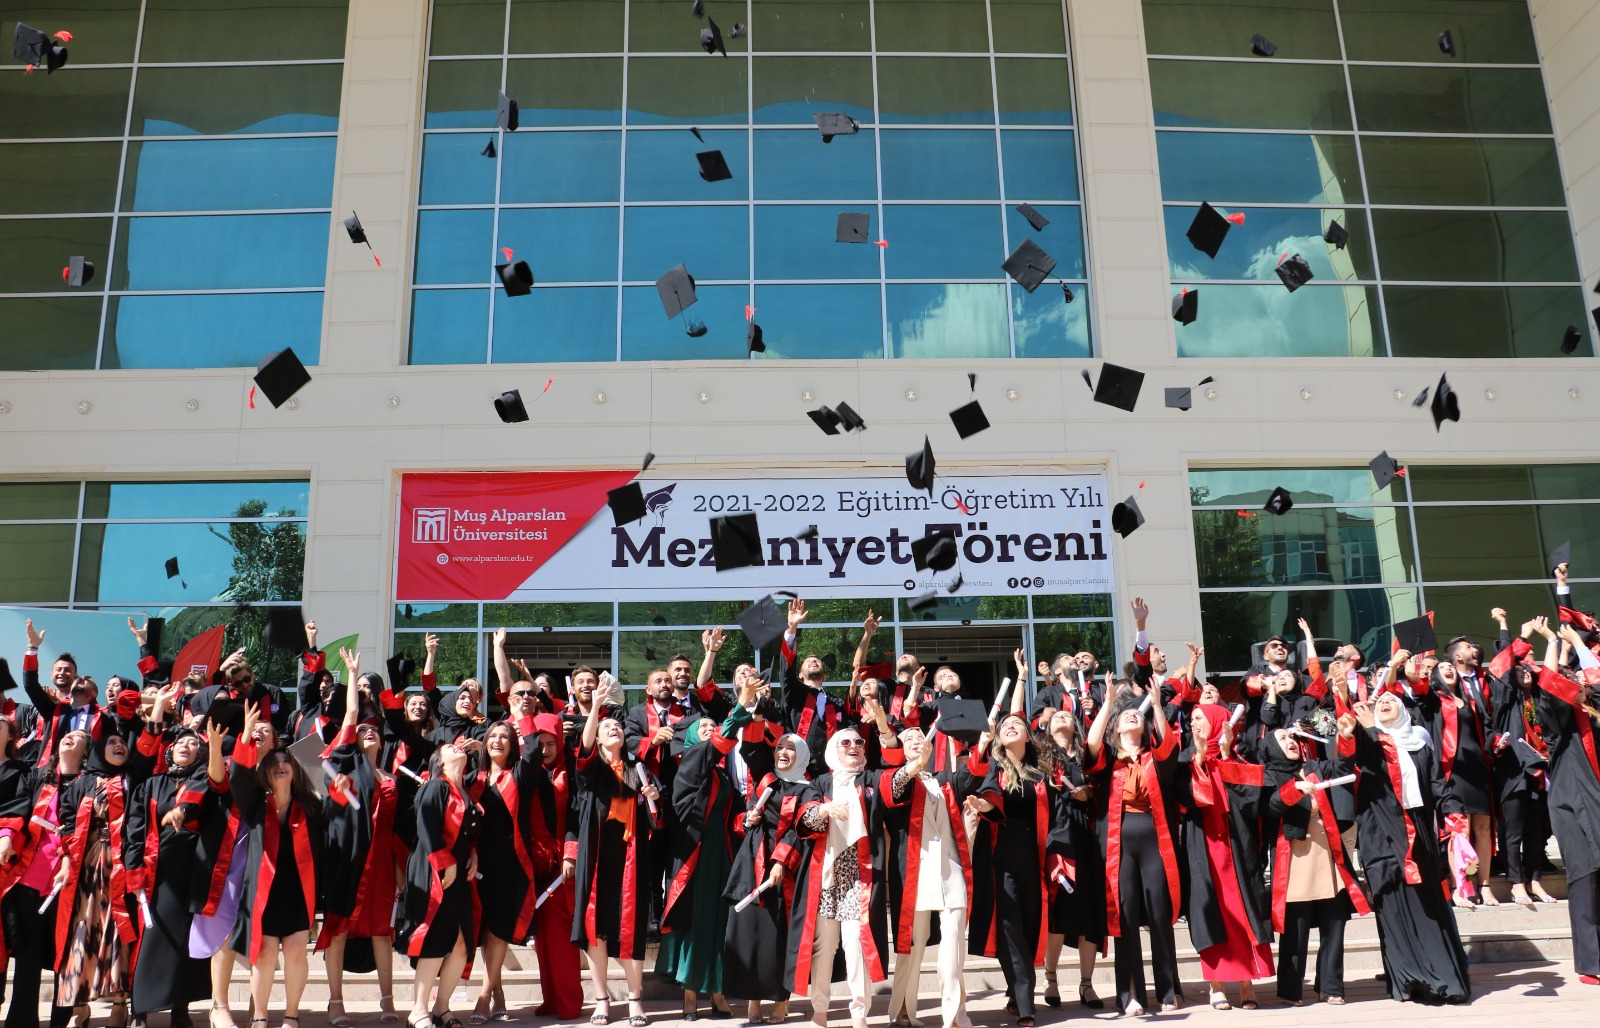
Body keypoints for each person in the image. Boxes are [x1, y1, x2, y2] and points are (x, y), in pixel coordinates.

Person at [1348, 692, 1471, 1003]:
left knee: (1425, 904)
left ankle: (1441, 977)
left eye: (1392, 701)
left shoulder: (1419, 745)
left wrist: (1455, 815)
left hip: (1418, 832)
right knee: (1392, 904)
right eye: (1379, 702)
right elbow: (1354, 751)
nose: (1384, 703)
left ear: (1404, 711)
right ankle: (1407, 980)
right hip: (1379, 833)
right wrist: (1369, 728)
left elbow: (1439, 787)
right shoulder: (1367, 742)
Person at [229, 702, 346, 1028]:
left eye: (286, 762)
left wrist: (339, 794)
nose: (281, 765)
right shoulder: (254, 803)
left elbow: (331, 818)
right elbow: (238, 777)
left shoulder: (309, 804)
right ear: (265, 771)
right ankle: (260, 1017)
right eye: (275, 762)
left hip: (298, 890)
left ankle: (291, 1015)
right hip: (263, 891)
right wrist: (246, 738)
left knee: (295, 952)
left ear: (295, 770)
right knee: (265, 953)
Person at [786, 729, 900, 1028]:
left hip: (859, 876)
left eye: (859, 742)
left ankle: (859, 1014)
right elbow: (805, 821)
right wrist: (824, 808)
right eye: (845, 742)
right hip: (825, 877)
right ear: (833, 750)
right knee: (824, 947)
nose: (854, 746)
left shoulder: (871, 779)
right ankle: (820, 1011)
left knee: (856, 944)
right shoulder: (820, 783)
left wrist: (913, 763)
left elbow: (897, 782)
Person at [1085, 678, 1182, 1016]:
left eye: (1137, 715)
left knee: (1158, 912)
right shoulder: (1109, 761)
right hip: (1119, 840)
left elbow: (1170, 745)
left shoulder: (1155, 757)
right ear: (1116, 727)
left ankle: (1167, 990)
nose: (1132, 716)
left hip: (1153, 836)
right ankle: (1130, 994)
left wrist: (1155, 705)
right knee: (1124, 915)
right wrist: (1108, 703)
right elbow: (1091, 744)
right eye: (1126, 716)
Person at [966, 674, 1058, 1028]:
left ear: (1027, 735)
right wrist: (982, 805)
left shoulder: (1042, 773)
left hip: (1034, 858)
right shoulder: (995, 768)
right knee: (1009, 928)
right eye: (1004, 725)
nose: (1010, 726)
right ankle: (1024, 1003)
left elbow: (1057, 816)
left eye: (1016, 723)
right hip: (1000, 857)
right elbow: (989, 794)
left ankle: (1015, 990)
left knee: (1030, 925)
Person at [319, 655, 404, 1027]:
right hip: (348, 853)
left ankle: (388, 1000)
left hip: (382, 857)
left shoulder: (391, 775)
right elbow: (352, 713)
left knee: (381, 930)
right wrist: (353, 674)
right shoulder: (344, 763)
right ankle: (335, 1002)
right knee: (339, 928)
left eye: (375, 730)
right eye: (363, 730)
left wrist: (401, 868)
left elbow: (398, 825)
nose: (369, 732)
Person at [571, 676, 660, 1028]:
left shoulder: (639, 770)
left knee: (631, 929)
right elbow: (585, 746)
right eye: (607, 727)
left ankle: (635, 999)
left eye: (617, 727)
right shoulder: (592, 770)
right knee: (596, 929)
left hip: (630, 858)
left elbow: (658, 818)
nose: (614, 730)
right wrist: (596, 707)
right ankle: (602, 1000)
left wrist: (653, 799)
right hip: (597, 856)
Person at [882, 720, 983, 1028]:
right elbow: (895, 790)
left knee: (953, 942)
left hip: (950, 868)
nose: (916, 740)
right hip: (916, 869)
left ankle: (954, 1014)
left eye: (919, 736)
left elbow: (971, 773)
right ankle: (903, 1007)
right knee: (914, 942)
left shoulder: (943, 780)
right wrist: (913, 764)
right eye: (909, 738)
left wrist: (984, 742)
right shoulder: (894, 778)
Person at [1262, 720, 1367, 1006]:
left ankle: (1330, 987)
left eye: (1292, 737)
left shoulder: (1314, 767)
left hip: (1328, 855)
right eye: (1282, 739)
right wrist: (1294, 788)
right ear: (1271, 748)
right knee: (1295, 930)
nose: (1291, 741)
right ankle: (1290, 990)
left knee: (1335, 922)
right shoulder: (1269, 775)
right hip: (1295, 860)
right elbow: (1270, 807)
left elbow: (1343, 767)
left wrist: (1345, 738)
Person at [123, 689, 212, 1028]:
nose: (187, 746)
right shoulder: (150, 784)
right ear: (170, 749)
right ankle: (139, 1009)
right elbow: (134, 830)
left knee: (184, 939)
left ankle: (180, 1007)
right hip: (155, 870)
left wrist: (183, 810)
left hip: (191, 869)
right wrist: (133, 870)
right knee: (150, 937)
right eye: (181, 742)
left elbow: (200, 805)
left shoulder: (202, 781)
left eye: (194, 744)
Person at [657, 705, 749, 1019]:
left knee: (718, 923)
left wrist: (745, 819)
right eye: (704, 727)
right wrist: (740, 708)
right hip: (692, 857)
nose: (710, 730)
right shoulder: (691, 761)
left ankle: (718, 993)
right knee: (694, 923)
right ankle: (690, 996)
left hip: (719, 854)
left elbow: (729, 814)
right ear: (693, 738)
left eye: (713, 726)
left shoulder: (720, 773)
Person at [1183, 704, 1272, 1010]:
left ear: (1217, 721)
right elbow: (1185, 797)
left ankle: (1246, 983)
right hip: (1203, 843)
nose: (1193, 723)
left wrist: (1224, 755)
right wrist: (1198, 759)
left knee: (1242, 908)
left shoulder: (1237, 755)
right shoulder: (1186, 758)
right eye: (1191, 719)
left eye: (1199, 718)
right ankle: (1216, 984)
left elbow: (1250, 801)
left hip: (1236, 844)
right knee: (1211, 910)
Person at [1531, 618, 1600, 983]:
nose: (1580, 683)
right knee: (1585, 879)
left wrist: (1580, 645)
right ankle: (1592, 964)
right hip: (1574, 806)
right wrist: (1554, 644)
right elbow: (1549, 686)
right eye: (1573, 681)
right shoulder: (1561, 726)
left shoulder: (1595, 718)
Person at [722, 732, 807, 1024]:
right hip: (752, 862)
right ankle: (753, 999)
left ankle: (782, 1001)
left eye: (790, 748)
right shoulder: (766, 781)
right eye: (779, 747)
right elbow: (742, 821)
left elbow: (801, 829)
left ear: (801, 755)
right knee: (751, 933)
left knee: (779, 935)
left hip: (785, 869)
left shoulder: (809, 789)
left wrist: (782, 860)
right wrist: (748, 818)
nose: (783, 752)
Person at [399, 740, 484, 1028]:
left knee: (462, 942)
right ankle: (418, 1011)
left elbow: (467, 835)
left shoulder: (467, 793)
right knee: (434, 937)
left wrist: (472, 854)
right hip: (434, 869)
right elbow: (426, 826)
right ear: (440, 761)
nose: (458, 746)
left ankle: (442, 1007)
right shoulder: (435, 786)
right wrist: (445, 862)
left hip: (458, 872)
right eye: (449, 746)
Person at [1038, 708, 1104, 1011]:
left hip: (1086, 838)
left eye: (1067, 715)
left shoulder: (1085, 758)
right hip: (1056, 836)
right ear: (1048, 728)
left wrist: (1088, 792)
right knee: (1059, 910)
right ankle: (1050, 978)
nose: (1061, 717)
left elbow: (1101, 789)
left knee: (1090, 913)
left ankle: (1086, 983)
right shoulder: (1041, 757)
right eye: (1056, 717)